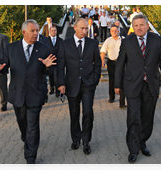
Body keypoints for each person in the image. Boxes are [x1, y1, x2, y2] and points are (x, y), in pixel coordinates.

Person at [0, 19, 56, 169]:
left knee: (33, 124)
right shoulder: (11, 48)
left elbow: (50, 70)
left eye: (37, 30)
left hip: (36, 93)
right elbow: (4, 65)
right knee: (22, 121)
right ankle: (25, 137)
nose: (36, 33)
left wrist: (47, 67)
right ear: (23, 32)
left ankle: (30, 157)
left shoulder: (44, 49)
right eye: (32, 31)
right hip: (17, 93)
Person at [114, 15, 161, 163]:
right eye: (136, 25)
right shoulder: (127, 42)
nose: (139, 28)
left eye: (142, 25)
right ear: (132, 27)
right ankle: (133, 149)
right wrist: (117, 84)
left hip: (151, 85)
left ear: (147, 25)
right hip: (133, 85)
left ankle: (142, 142)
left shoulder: (157, 40)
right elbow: (120, 64)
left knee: (147, 118)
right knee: (133, 118)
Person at [57, 18, 101, 155]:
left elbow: (98, 64)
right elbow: (60, 66)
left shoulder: (93, 44)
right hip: (72, 85)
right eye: (82, 28)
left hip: (88, 85)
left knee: (88, 112)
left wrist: (95, 80)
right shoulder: (65, 44)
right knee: (74, 114)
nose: (84, 31)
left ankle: (86, 140)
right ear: (74, 27)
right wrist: (61, 83)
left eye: (86, 28)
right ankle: (76, 138)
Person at [100, 25, 126, 109]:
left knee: (122, 81)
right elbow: (103, 51)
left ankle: (122, 102)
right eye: (112, 31)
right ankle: (112, 97)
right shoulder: (108, 40)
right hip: (111, 62)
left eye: (115, 30)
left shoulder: (123, 40)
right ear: (110, 32)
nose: (114, 32)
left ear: (118, 31)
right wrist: (102, 60)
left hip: (121, 62)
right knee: (111, 80)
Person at [48, 26, 63, 97]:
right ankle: (51, 88)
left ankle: (57, 91)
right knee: (51, 75)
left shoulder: (60, 40)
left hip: (58, 61)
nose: (54, 32)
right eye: (52, 30)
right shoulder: (46, 40)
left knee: (57, 76)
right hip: (49, 61)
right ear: (50, 32)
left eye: (55, 30)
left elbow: (62, 51)